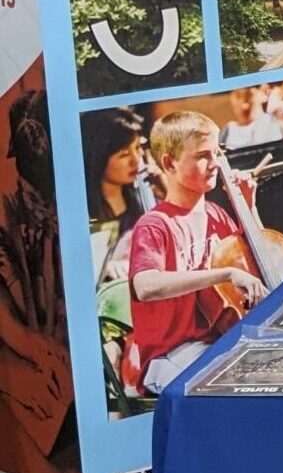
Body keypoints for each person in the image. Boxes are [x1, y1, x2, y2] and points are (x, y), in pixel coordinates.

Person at [126, 112, 267, 394]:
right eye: (203, 156)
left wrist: (249, 209)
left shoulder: (217, 214)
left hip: (220, 342)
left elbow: (262, 265)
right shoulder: (155, 224)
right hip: (171, 353)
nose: (215, 163)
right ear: (170, 163)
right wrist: (224, 274)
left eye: (217, 153)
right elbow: (144, 286)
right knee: (234, 386)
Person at [83, 108, 150, 283]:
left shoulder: (144, 195)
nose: (136, 159)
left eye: (137, 147)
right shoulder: (83, 212)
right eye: (124, 154)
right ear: (99, 158)